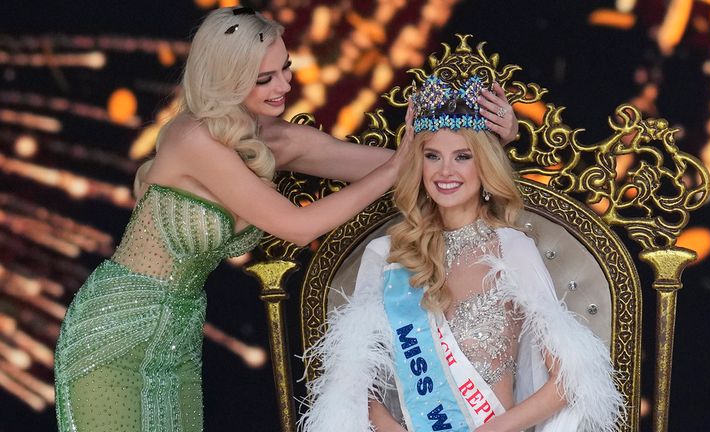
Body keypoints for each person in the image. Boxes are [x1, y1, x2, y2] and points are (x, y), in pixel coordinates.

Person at [53, 7, 518, 432]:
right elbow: (299, 226)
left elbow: (416, 169)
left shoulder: (277, 139)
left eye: (285, 69)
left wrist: (494, 141)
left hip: (176, 338)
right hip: (114, 333)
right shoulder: (189, 136)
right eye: (264, 78)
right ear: (226, 78)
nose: (284, 87)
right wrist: (395, 169)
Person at [300, 74, 625, 432]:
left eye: (463, 156)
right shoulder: (388, 256)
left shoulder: (510, 249)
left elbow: (567, 380)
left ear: (484, 165)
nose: (445, 171)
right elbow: (357, 384)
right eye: (432, 156)